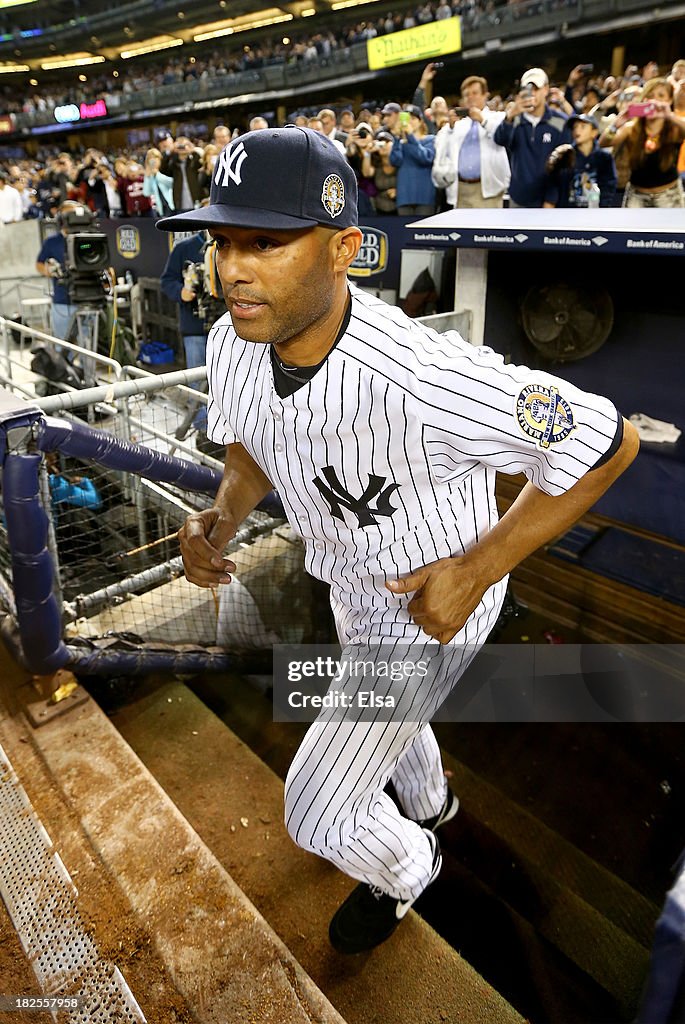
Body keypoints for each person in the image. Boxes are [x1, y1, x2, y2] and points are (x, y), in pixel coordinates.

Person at [156, 126, 639, 955]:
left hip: (428, 608)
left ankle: (413, 863)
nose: (231, 267)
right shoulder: (238, 337)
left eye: (265, 242)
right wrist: (223, 517)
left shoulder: (423, 378)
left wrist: (477, 569)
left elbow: (605, 439)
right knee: (388, 727)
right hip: (348, 580)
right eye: (221, 239)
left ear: (344, 248)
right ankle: (431, 803)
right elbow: (249, 446)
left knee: (317, 807)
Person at [601, 77, 685, 208]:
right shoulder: (631, 128)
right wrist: (616, 124)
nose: (653, 100)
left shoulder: (674, 127)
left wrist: (670, 116)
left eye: (660, 96)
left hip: (669, 195)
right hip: (637, 196)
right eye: (649, 96)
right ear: (643, 100)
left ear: (669, 100)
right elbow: (604, 143)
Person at [494, 67, 572, 207]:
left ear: (546, 89)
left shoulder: (560, 122)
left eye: (536, 88)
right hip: (518, 199)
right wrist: (510, 116)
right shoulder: (515, 119)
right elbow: (499, 140)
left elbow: (562, 165)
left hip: (547, 202)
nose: (532, 93)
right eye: (528, 89)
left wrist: (551, 199)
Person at [160, 230, 210, 445]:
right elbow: (167, 280)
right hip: (195, 327)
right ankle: (203, 432)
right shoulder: (184, 248)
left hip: (230, 327)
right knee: (198, 382)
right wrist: (181, 292)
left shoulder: (232, 242)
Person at [432, 75, 510, 209]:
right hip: (461, 190)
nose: (471, 97)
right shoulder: (458, 123)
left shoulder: (497, 117)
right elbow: (439, 143)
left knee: (488, 230)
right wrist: (450, 127)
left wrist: (483, 120)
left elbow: (504, 137)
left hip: (489, 189)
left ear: (485, 95)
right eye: (467, 94)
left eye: (475, 93)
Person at [545, 113, 617, 208]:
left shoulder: (604, 157)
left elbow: (608, 187)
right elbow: (555, 185)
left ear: (594, 132)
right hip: (568, 213)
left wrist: (602, 211)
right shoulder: (564, 155)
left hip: (595, 213)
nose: (577, 130)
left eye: (583, 127)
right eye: (575, 127)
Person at [35, 200, 82, 341]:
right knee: (62, 345)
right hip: (62, 301)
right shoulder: (52, 242)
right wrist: (51, 271)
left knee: (88, 346)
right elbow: (39, 264)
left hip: (86, 300)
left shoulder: (86, 240)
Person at [390, 105, 436, 215]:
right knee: (403, 231)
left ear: (420, 121)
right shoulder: (401, 143)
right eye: (407, 118)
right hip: (404, 197)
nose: (410, 122)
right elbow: (395, 161)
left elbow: (425, 158)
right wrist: (396, 138)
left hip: (425, 196)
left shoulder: (431, 140)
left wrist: (410, 136)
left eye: (413, 118)